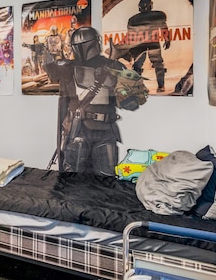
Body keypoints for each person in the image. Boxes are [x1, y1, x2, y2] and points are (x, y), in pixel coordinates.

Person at [44, 27, 146, 176]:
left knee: (90, 183)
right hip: (81, 130)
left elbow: (130, 103)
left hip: (98, 131)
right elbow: (131, 103)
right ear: (96, 43)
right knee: (86, 183)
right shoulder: (111, 67)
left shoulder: (69, 67)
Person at [126, 0, 171, 92]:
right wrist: (167, 39)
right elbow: (164, 28)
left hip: (139, 44)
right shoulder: (157, 15)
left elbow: (130, 35)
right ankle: (160, 86)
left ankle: (137, 87)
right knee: (157, 64)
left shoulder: (133, 19)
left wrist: (129, 48)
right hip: (151, 43)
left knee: (138, 65)